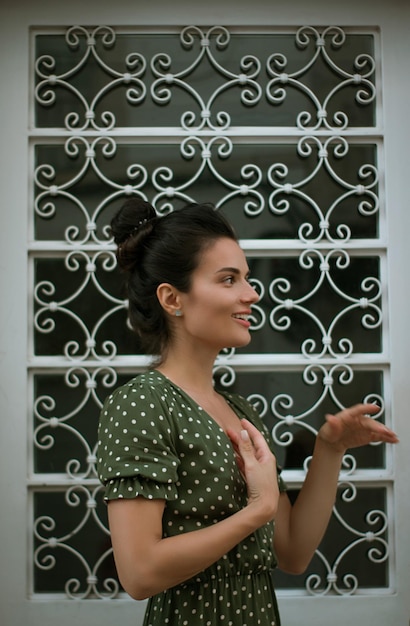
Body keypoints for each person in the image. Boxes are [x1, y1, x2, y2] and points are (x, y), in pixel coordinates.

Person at [97, 199, 398, 626]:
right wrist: (256, 510)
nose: (251, 293)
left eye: (247, 278)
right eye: (228, 279)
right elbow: (139, 572)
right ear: (172, 298)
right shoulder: (144, 402)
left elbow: (292, 552)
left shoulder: (241, 411)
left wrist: (330, 450)